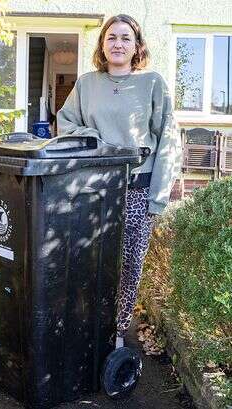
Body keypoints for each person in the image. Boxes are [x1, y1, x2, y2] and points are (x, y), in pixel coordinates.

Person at [56, 14, 181, 349]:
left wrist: (157, 197)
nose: (118, 44)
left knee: (127, 264)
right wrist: (93, 137)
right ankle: (87, 323)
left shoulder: (153, 84)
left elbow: (168, 140)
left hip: (137, 189)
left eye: (126, 38)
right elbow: (66, 123)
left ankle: (116, 331)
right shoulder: (86, 84)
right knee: (87, 259)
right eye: (111, 37)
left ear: (137, 45)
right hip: (93, 188)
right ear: (102, 44)